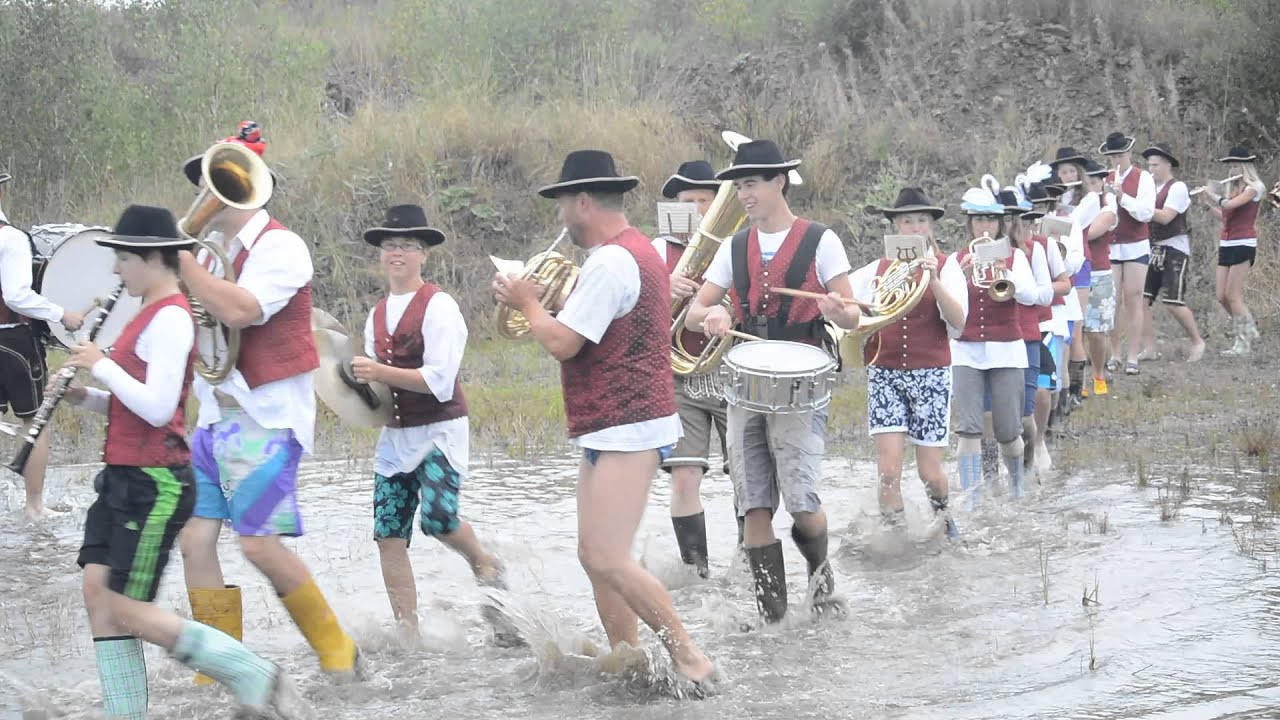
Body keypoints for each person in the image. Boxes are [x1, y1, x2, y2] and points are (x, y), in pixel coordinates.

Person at [62, 205, 306, 719]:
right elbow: (146, 402)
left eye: (123, 258)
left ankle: (255, 676)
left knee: (125, 607)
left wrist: (102, 364)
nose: (115, 270)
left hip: (154, 482)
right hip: (122, 473)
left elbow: (157, 408)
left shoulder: (172, 316)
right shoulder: (145, 314)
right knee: (96, 591)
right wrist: (87, 396)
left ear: (153, 257)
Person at [492, 149, 716, 689]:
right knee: (594, 555)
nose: (561, 217)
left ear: (584, 201)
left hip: (628, 425)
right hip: (615, 424)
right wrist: (534, 301)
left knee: (609, 557)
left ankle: (691, 659)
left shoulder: (613, 261)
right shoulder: (627, 254)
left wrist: (527, 301)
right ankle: (628, 658)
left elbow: (563, 342)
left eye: (564, 204)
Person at [175, 131, 363, 681]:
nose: (205, 198)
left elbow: (242, 311)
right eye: (203, 185)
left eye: (216, 184)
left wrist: (182, 265)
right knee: (194, 541)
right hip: (215, 412)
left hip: (264, 414)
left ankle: (337, 649)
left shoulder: (283, 246)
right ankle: (220, 663)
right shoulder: (216, 254)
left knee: (258, 545)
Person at [684, 139, 861, 622]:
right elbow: (697, 310)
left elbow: (850, 317)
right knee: (754, 505)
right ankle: (774, 623)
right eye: (738, 185)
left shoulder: (820, 240)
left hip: (803, 382)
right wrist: (713, 317)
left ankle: (821, 579)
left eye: (752, 184)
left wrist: (836, 309)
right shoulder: (733, 246)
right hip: (745, 383)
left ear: (779, 181)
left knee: (802, 504)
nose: (743, 194)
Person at [351, 204, 522, 645]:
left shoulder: (440, 306)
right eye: (390, 245)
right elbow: (378, 391)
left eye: (407, 245)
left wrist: (378, 373)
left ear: (423, 253)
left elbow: (439, 383)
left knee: (439, 519)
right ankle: (409, 633)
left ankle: (485, 562)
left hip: (439, 432)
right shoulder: (376, 313)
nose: (397, 253)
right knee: (388, 534)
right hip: (396, 436)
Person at [850, 188, 965, 539]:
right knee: (888, 471)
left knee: (930, 472)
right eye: (907, 221)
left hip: (931, 374)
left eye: (921, 221)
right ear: (895, 226)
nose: (914, 228)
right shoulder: (875, 270)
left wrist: (933, 281)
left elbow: (959, 323)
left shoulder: (948, 267)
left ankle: (944, 520)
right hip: (885, 373)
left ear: (930, 227)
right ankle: (896, 539)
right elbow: (851, 312)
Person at [653, 160, 734, 578]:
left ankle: (749, 559)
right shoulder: (653, 252)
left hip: (730, 372)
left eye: (708, 200)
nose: (700, 209)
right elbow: (630, 314)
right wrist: (662, 288)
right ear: (675, 207)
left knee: (746, 475)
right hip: (678, 376)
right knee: (683, 479)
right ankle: (697, 572)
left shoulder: (738, 245)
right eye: (690, 202)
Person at [0, 170, 85, 521]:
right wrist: (60, 312)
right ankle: (34, 506)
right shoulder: (11, 239)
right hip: (15, 340)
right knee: (34, 421)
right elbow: (17, 295)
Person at [950, 177, 1037, 505]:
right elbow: (948, 306)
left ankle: (1016, 487)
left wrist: (1006, 273)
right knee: (969, 429)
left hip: (1006, 350)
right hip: (965, 351)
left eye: (989, 220)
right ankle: (972, 499)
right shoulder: (958, 260)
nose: (983, 226)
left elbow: (1029, 297)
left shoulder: (1016, 257)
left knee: (1007, 431)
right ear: (969, 224)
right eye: (977, 220)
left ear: (1000, 223)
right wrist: (962, 274)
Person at [1019, 181, 1076, 473]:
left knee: (1043, 392)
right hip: (1009, 327)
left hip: (1045, 320)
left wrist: (1037, 289)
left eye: (1030, 219)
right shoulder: (999, 247)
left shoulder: (1045, 244)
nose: (1027, 225)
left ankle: (1039, 440)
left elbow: (1065, 284)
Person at [1198, 145, 1266, 356]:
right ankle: (1246, 327)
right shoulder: (1234, 188)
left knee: (1233, 295)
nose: (1232, 170)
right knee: (1221, 296)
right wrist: (1205, 205)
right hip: (1227, 243)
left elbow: (1229, 205)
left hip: (1244, 243)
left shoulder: (1255, 187)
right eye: (1230, 166)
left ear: (1245, 166)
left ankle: (1244, 338)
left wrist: (1212, 194)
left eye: (1236, 165)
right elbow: (1225, 216)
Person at [1140, 144, 1205, 362]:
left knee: (1172, 300)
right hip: (1153, 246)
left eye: (1156, 165)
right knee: (1142, 299)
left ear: (1168, 165)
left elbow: (1166, 217)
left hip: (1174, 247)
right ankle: (1149, 348)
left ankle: (1197, 341)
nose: (1152, 169)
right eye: (1149, 165)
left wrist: (1139, 208)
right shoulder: (1152, 189)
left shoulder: (1177, 187)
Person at [1099, 131, 1156, 376]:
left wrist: (1122, 196)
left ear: (1128, 153)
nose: (1117, 160)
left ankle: (1133, 355)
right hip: (1111, 246)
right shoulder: (1106, 179)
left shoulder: (1143, 178)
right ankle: (1115, 353)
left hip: (1136, 245)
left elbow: (1145, 213)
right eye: (1113, 156)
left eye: (1120, 155)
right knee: (1111, 302)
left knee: (1134, 299)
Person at [1050, 148, 1092, 409]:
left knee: (1073, 335)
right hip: (1045, 282)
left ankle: (1074, 391)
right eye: (1062, 172)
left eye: (1071, 171)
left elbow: (1074, 258)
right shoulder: (1034, 216)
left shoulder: (1086, 202)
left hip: (1072, 274)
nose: (1067, 176)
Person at [1077, 160, 1119, 397]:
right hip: (1076, 271)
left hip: (1099, 272)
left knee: (1096, 331)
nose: (1091, 187)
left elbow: (1091, 232)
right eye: (1087, 183)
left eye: (1095, 182)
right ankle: (1079, 380)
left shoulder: (1108, 206)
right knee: (1077, 331)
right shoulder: (1075, 205)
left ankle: (1099, 374)